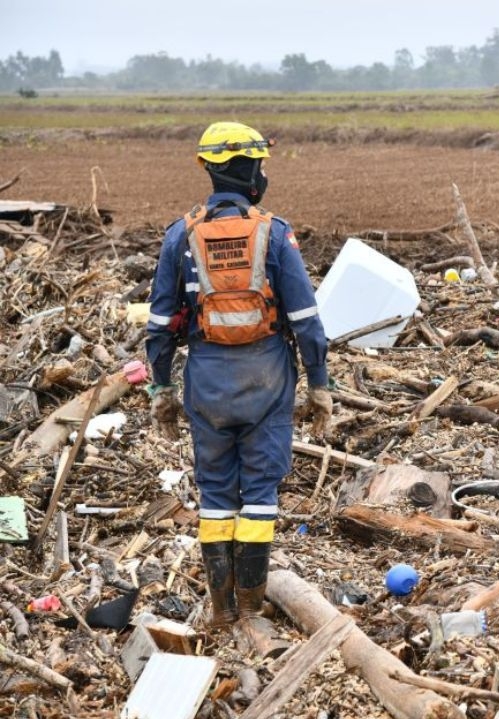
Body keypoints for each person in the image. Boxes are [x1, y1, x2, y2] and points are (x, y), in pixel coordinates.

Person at [145, 121, 332, 628]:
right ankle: (251, 607)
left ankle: (222, 608)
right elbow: (306, 321)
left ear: (209, 168)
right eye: (261, 164)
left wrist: (161, 389)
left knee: (216, 496)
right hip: (267, 380)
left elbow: (160, 324)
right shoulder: (275, 233)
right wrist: (320, 385)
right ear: (248, 168)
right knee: (260, 494)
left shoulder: (180, 235)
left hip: (205, 382)